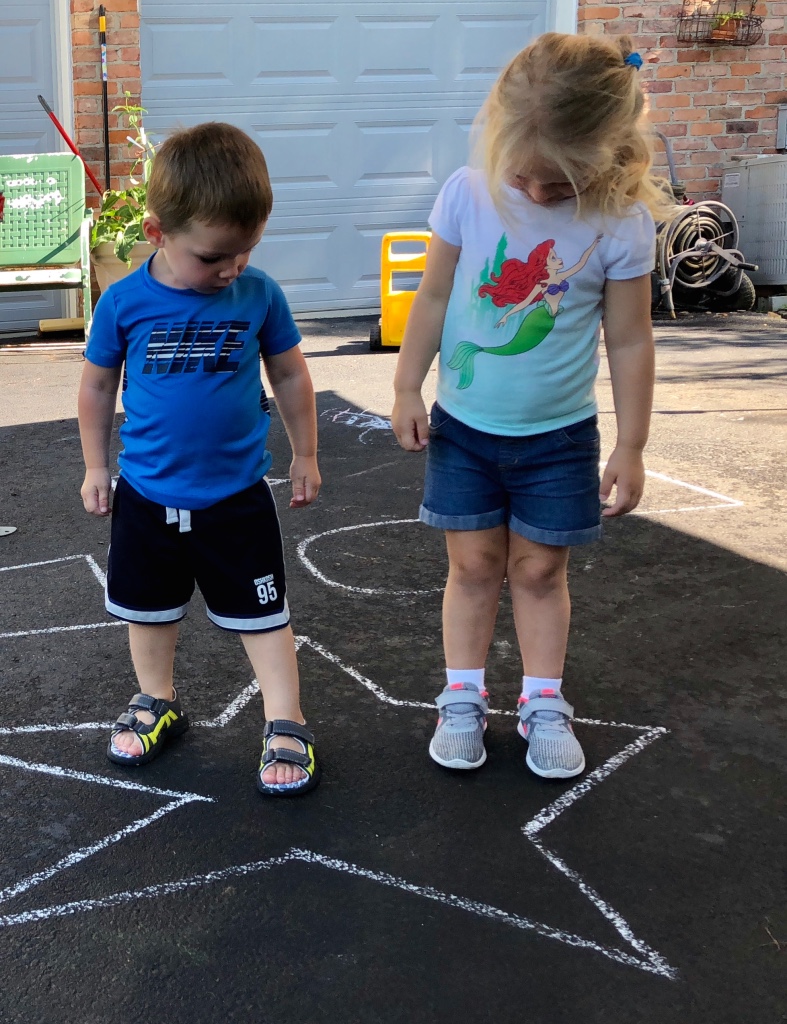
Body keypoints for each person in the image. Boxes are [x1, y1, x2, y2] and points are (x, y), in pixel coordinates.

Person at [392, 33, 670, 779]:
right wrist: (406, 385)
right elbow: (433, 296)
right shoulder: (468, 193)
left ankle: (543, 701)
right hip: (464, 430)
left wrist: (632, 444)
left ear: (607, 154)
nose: (541, 195)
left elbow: (629, 341)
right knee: (473, 565)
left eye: (561, 183)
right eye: (526, 177)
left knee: (541, 572)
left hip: (559, 439)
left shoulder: (619, 221)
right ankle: (461, 696)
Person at [78, 122, 321, 797]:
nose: (232, 269)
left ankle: (286, 718)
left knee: (263, 615)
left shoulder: (258, 294)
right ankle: (156, 700)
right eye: (214, 257)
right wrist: (95, 466)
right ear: (157, 233)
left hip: (235, 497)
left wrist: (305, 453)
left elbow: (291, 375)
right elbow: (97, 387)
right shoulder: (124, 301)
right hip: (147, 493)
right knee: (147, 608)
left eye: (246, 251)